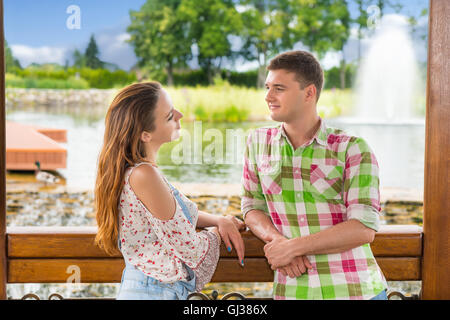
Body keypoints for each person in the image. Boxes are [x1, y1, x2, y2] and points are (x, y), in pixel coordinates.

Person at [241, 50, 388, 300]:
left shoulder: (352, 148)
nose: (268, 97)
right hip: (293, 292)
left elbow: (363, 228)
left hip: (356, 291)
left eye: (279, 88)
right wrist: (276, 240)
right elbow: (252, 206)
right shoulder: (257, 143)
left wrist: (291, 248)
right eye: (268, 87)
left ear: (309, 92)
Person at [94, 81, 245, 300]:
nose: (180, 115)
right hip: (155, 293)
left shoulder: (135, 173)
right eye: (169, 115)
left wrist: (219, 220)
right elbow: (192, 252)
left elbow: (170, 219)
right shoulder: (145, 175)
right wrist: (217, 233)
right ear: (145, 134)